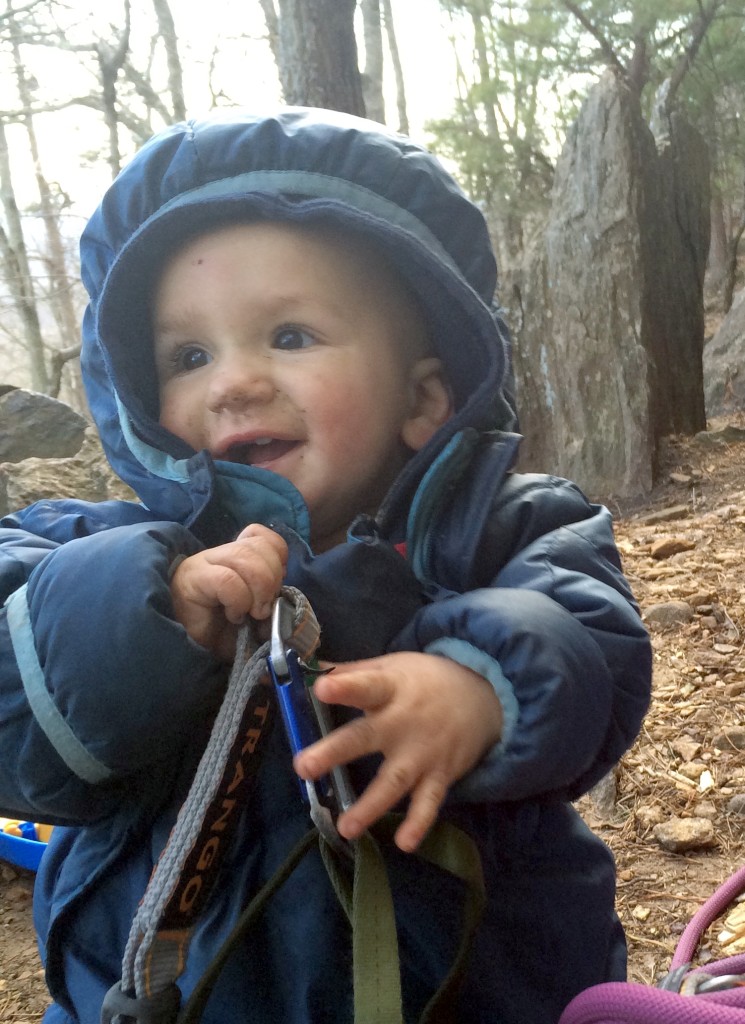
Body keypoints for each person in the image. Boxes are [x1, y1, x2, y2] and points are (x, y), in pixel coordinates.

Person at [0, 107, 652, 1024]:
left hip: (473, 986)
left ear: (425, 396)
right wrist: (135, 617)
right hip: (158, 991)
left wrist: (480, 686)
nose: (231, 382)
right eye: (188, 356)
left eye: (291, 336)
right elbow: (16, 714)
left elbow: (590, 641)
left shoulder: (502, 530)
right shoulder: (95, 547)